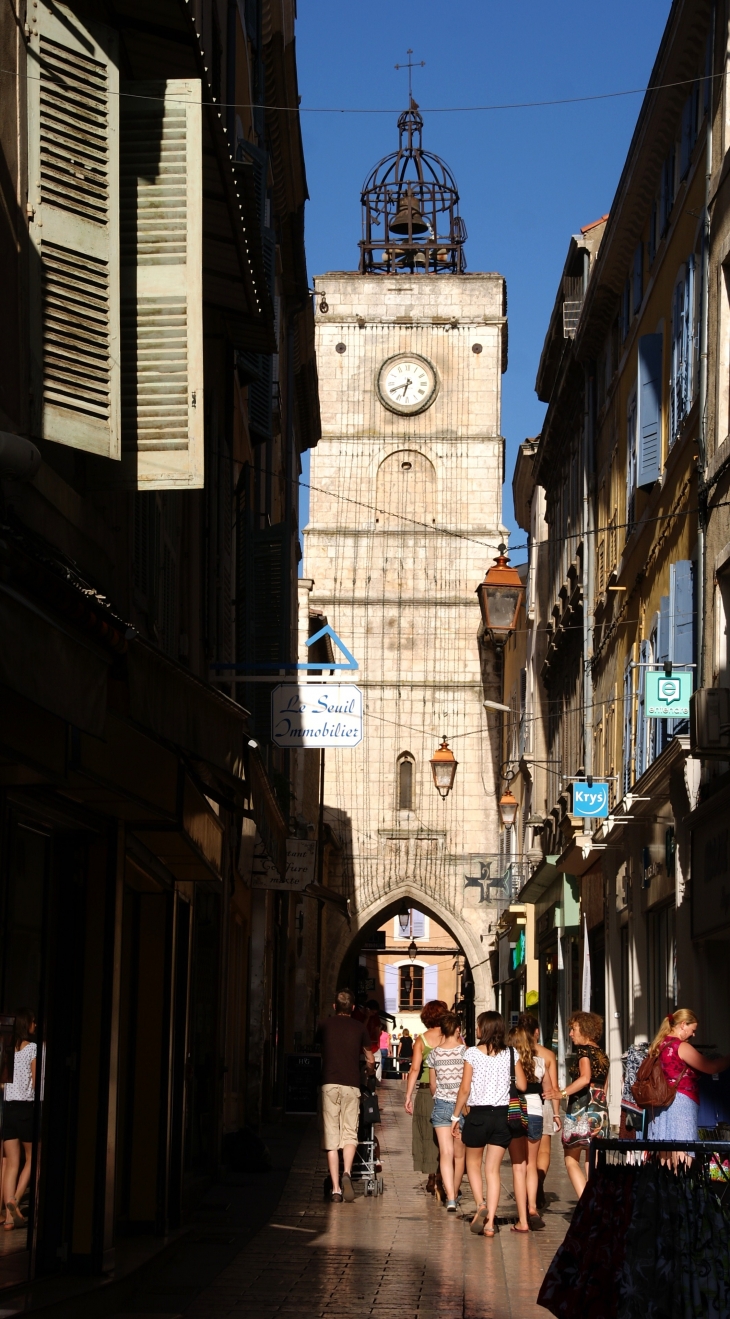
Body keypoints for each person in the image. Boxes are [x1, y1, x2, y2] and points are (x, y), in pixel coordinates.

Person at [451, 1011, 528, 1237]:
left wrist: (455, 1117)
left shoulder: (472, 1053)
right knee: (492, 1170)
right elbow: (522, 1085)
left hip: (478, 1116)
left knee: (472, 1165)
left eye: (477, 1026)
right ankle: (490, 1224)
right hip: (503, 1117)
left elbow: (465, 1089)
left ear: (484, 1029)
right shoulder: (511, 1054)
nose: (475, 1029)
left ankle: (481, 1205)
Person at [317, 988, 375, 1203]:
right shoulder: (360, 1027)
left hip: (329, 1083)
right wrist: (370, 1070)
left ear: (334, 1006)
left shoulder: (323, 1025)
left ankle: (335, 1189)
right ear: (352, 1008)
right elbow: (370, 1058)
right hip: (352, 1084)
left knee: (332, 1138)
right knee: (350, 1133)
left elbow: (320, 1049)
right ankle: (347, 1173)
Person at [646, 1008, 730, 1143]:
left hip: (659, 1104)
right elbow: (711, 1067)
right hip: (680, 1103)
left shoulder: (657, 1045)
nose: (694, 1034)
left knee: (663, 1149)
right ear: (683, 1024)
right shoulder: (681, 1047)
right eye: (693, 1029)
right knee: (683, 1150)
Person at [558, 1011, 609, 1200]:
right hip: (599, 1109)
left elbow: (585, 1078)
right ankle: (596, 1200)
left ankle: (586, 1203)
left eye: (574, 1029)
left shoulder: (584, 1052)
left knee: (571, 1159)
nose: (571, 1033)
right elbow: (604, 1086)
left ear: (585, 1030)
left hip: (581, 1108)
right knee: (593, 1159)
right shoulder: (602, 1054)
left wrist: (562, 1093)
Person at [517, 1012, 561, 1214]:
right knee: (543, 1151)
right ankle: (538, 1181)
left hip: (520, 1104)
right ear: (537, 1032)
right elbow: (552, 1088)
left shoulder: (515, 1052)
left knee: (524, 1155)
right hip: (541, 1105)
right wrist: (556, 1113)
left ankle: (528, 1189)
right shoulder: (548, 1055)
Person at [404, 1000, 447, 1193]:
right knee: (445, 1134)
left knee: (428, 1133)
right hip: (448, 1090)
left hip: (425, 1091)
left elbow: (414, 1069)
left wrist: (408, 1095)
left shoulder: (421, 1040)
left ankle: (432, 1176)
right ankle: (442, 1175)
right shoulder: (454, 1037)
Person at [426, 1010, 466, 1210]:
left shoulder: (434, 1054)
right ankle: (455, 1192)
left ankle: (449, 1196)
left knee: (445, 1153)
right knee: (459, 1156)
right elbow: (469, 1084)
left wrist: (441, 1095)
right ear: (458, 1030)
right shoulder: (466, 1053)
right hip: (462, 1108)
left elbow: (433, 1085)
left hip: (441, 1105)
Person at [1, 1009, 37, 1230]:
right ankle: (14, 1200)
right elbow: (36, 1080)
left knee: (11, 1164)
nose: (36, 1024)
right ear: (27, 1024)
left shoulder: (9, 1049)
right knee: (32, 1159)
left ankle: (7, 1217)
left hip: (8, 1108)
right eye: (33, 1022)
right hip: (25, 1108)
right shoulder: (32, 1048)